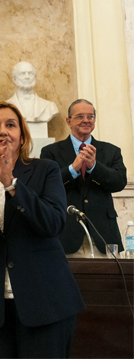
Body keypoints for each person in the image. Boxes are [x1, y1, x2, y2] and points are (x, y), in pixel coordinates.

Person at [0, 102, 85, 358]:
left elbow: (53, 223)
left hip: (45, 303)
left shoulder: (45, 170)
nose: (3, 131)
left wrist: (11, 184)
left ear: (22, 137)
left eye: (11, 125)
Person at [40, 99, 127, 257]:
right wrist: (73, 169)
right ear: (69, 121)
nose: (86, 120)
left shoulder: (111, 151)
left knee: (107, 282)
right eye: (80, 116)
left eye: (90, 116)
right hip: (66, 238)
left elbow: (119, 182)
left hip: (104, 237)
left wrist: (94, 166)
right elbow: (46, 185)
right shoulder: (50, 152)